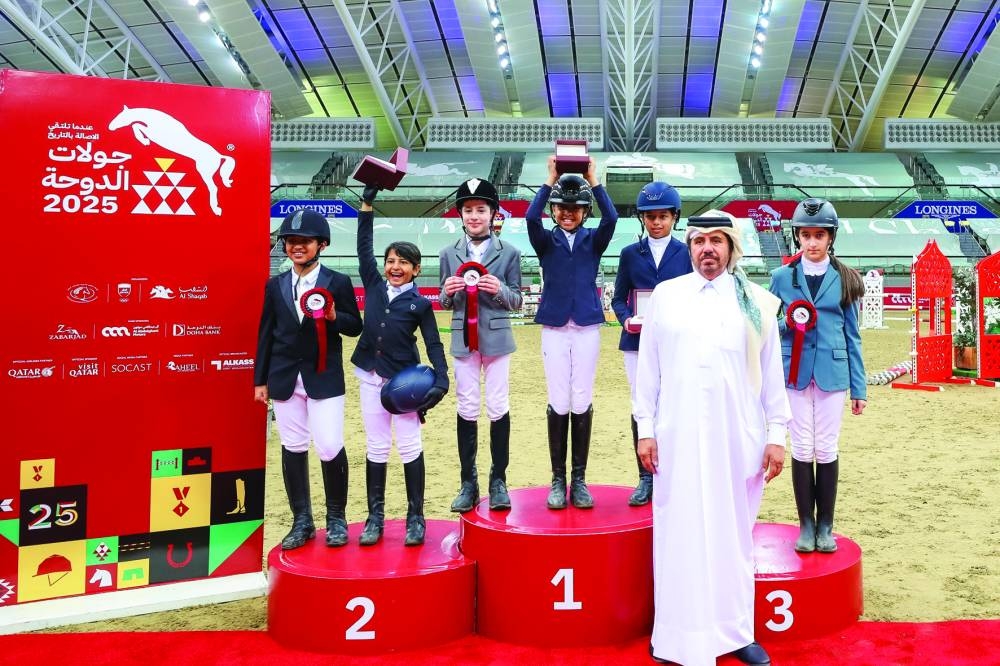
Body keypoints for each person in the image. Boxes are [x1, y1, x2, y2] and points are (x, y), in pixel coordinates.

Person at [634, 214, 790, 666]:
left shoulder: (757, 302)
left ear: (731, 248)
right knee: (678, 532)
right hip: (676, 436)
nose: (707, 249)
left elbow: (773, 380)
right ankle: (676, 635)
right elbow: (650, 370)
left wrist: (776, 435)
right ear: (690, 247)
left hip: (737, 436)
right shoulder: (667, 296)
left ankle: (736, 630)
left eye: (716, 241)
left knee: (733, 535)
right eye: (699, 240)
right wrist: (645, 429)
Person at [254, 208, 363, 549]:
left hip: (323, 376)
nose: (297, 247)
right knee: (293, 446)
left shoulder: (338, 282)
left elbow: (355, 326)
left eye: (305, 241)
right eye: (291, 241)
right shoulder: (275, 286)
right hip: (284, 377)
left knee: (329, 444)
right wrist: (260, 380)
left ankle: (336, 518)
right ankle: (302, 521)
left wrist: (333, 316)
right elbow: (266, 334)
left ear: (321, 244)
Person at [351, 184, 449, 547]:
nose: (395, 267)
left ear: (415, 270)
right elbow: (364, 248)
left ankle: (415, 517)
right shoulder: (374, 284)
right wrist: (367, 205)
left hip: (403, 385)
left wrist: (441, 380)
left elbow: (433, 343)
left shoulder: (420, 305)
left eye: (403, 263)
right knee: (376, 447)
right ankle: (375, 518)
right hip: (369, 377)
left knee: (409, 446)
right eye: (391, 261)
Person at [768, 198, 866, 554]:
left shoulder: (845, 279)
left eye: (819, 235)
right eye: (806, 235)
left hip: (832, 371)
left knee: (825, 447)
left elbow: (852, 335)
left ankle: (826, 524)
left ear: (830, 238)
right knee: (802, 447)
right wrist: (788, 322)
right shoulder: (781, 277)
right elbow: (768, 326)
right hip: (792, 371)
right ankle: (805, 525)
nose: (812, 242)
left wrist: (860, 387)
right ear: (798, 237)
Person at [527, 156, 618, 510]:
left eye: (576, 209)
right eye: (562, 208)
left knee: (581, 397)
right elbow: (530, 217)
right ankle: (557, 479)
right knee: (558, 399)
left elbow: (611, 217)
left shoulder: (594, 241)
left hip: (586, 325)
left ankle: (579, 479)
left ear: (584, 212)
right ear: (554, 210)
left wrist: (593, 179)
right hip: (553, 326)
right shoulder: (545, 242)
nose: (568, 213)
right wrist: (550, 178)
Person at [439, 178, 523, 512]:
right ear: (461, 214)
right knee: (467, 407)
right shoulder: (448, 253)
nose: (475, 216)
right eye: (469, 210)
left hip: (498, 339)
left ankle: (498, 479)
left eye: (481, 210)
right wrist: (448, 289)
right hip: (463, 337)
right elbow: (445, 301)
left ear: (493, 214)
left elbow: (516, 300)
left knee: (498, 405)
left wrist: (498, 288)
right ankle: (468, 482)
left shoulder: (510, 252)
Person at [612, 181, 692, 506]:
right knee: (642, 407)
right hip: (636, 341)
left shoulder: (687, 252)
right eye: (650, 216)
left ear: (674, 217)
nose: (656, 222)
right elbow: (619, 298)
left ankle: (673, 473)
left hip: (677, 342)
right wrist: (626, 318)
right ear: (642, 218)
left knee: (674, 405)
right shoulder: (630, 254)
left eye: (663, 216)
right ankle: (645, 477)